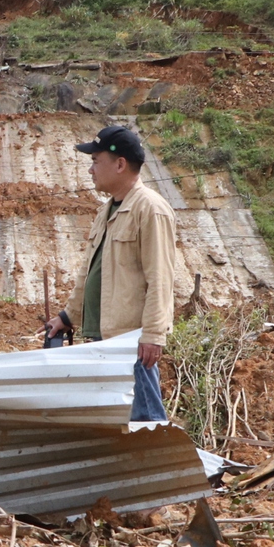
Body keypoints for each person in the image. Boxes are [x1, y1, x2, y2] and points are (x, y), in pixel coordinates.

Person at [45, 125, 178, 422]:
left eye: (96, 161)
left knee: (145, 422)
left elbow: (161, 278)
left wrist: (154, 335)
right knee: (117, 422)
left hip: (130, 344)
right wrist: (68, 317)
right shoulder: (106, 211)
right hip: (103, 341)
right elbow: (90, 272)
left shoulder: (151, 210)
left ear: (120, 165)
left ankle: (159, 465)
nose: (91, 170)